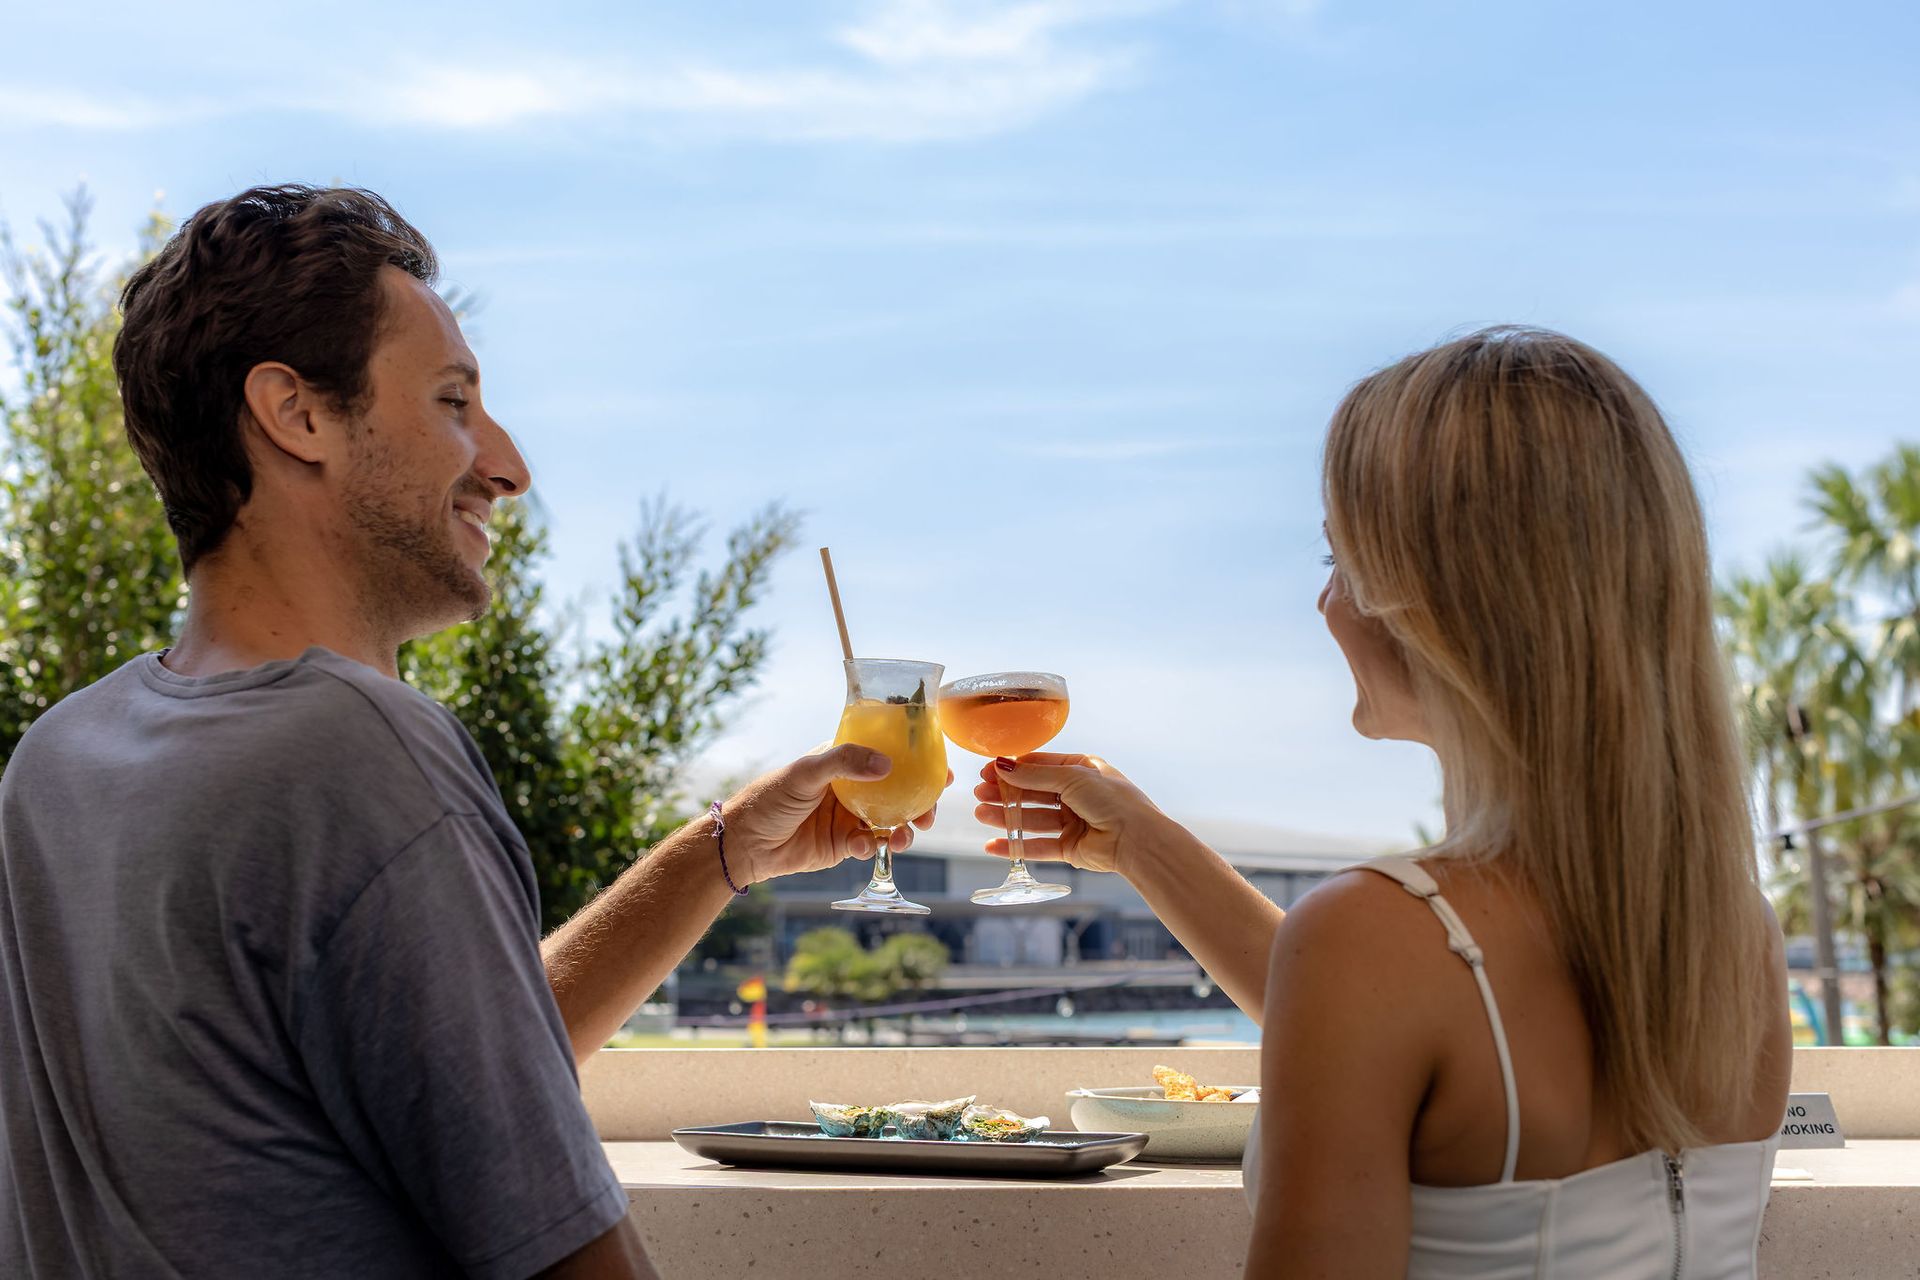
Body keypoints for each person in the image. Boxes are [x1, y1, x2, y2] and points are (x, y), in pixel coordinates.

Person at [0, 185, 942, 1279]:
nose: (507, 465)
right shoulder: (357, 746)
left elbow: (455, 1067)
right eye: (454, 402)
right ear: (294, 413)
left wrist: (722, 849)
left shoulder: (59, 760)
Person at [977, 328, 1791, 1277]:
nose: (1327, 604)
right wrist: (1143, 847)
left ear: (1445, 599)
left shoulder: (1378, 936)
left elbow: (1391, 992)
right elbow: (1407, 1016)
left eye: (1342, 557)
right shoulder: (1736, 937)